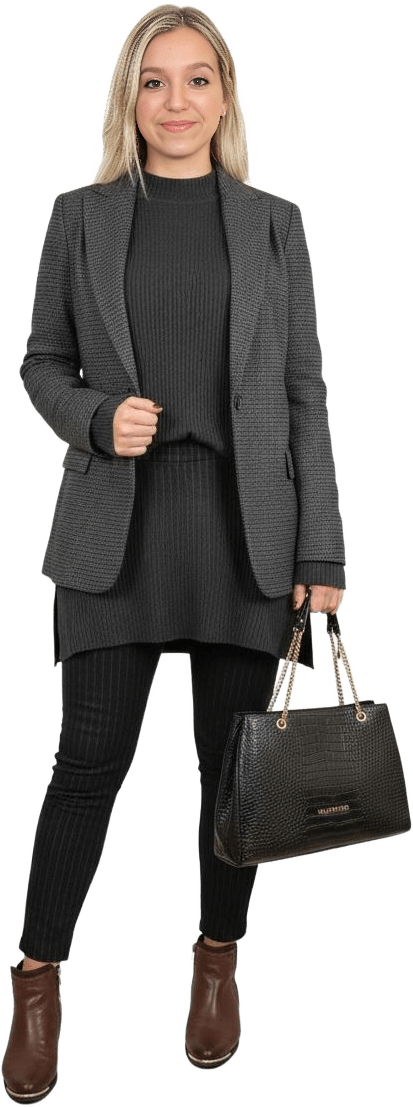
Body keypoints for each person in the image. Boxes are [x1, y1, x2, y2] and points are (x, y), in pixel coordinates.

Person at [1, 2, 347, 1098]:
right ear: (128, 97)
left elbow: (304, 392)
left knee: (232, 776)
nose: (176, 101)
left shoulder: (276, 222)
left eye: (198, 78)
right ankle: (38, 982)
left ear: (226, 95)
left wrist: (324, 552)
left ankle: (215, 961)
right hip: (117, 529)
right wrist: (98, 417)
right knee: (86, 765)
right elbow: (40, 362)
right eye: (154, 80)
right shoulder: (79, 216)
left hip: (249, 535)